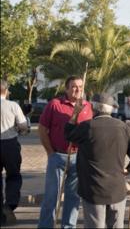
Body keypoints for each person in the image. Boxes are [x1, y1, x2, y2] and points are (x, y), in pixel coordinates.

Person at [64, 93, 130, 228]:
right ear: (111, 109)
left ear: (93, 109)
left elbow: (68, 134)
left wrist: (75, 114)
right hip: (116, 188)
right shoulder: (122, 127)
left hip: (93, 190)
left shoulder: (87, 127)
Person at [37, 75, 93, 228]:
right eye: (74, 86)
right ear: (67, 89)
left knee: (73, 198)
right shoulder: (55, 104)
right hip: (58, 156)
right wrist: (50, 152)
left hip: (78, 158)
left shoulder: (88, 107)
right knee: (51, 198)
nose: (78, 89)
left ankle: (68, 226)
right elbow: (42, 130)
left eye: (81, 87)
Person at [1, 80, 30, 226]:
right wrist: (20, 129)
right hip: (10, 144)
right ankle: (9, 205)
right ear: (6, 91)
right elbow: (23, 126)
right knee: (13, 176)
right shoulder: (13, 106)